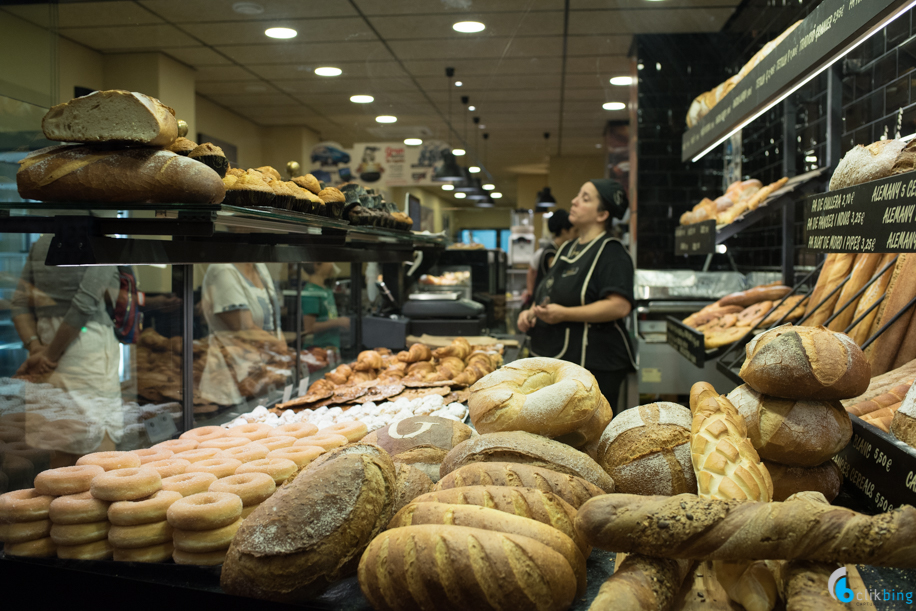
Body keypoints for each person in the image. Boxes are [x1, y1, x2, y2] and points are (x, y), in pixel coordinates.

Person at [516, 179, 636, 414]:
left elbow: (619, 306)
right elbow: (550, 291)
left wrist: (564, 314)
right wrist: (532, 312)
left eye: (585, 198)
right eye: (578, 195)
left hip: (595, 364)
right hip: (561, 359)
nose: (574, 201)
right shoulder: (567, 249)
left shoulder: (612, 252)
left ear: (602, 214)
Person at [11, 235, 123, 459]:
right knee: (98, 444)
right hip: (84, 343)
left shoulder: (41, 243)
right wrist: (49, 356)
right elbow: (85, 303)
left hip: (45, 339)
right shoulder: (100, 240)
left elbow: (19, 302)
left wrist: (35, 348)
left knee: (59, 439)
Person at [199, 263, 286, 406]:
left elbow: (275, 321)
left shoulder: (260, 266)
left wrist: (280, 351)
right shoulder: (222, 269)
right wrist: (281, 349)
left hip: (263, 368)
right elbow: (244, 327)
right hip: (232, 372)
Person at [523, 209, 577, 307]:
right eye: (575, 231)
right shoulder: (551, 252)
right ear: (564, 231)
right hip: (542, 302)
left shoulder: (559, 249)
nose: (577, 235)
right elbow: (556, 277)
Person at [301, 262, 350, 350]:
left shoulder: (326, 290)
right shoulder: (311, 292)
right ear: (316, 265)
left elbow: (331, 317)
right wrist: (338, 322)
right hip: (317, 350)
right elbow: (309, 328)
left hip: (332, 348)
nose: (332, 264)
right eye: (329, 261)